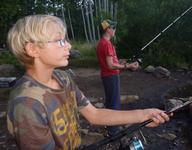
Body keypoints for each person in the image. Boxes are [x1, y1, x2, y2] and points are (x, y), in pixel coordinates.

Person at [7, 15, 170, 150]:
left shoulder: (63, 78)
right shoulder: (27, 104)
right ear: (33, 49)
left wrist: (143, 114)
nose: (69, 46)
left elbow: (94, 114)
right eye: (59, 41)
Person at [96, 19, 139, 136]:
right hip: (111, 76)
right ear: (107, 29)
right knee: (114, 103)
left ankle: (110, 125)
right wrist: (128, 65)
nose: (115, 30)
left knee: (110, 102)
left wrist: (121, 61)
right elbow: (110, 65)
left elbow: (110, 62)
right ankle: (114, 130)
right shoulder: (107, 44)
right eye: (113, 28)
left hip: (106, 76)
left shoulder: (101, 43)